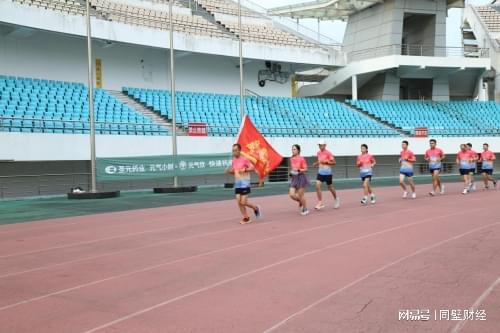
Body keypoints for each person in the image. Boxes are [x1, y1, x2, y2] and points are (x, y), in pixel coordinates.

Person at [225, 143, 261, 224]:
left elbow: (252, 168)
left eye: (235, 150)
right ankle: (246, 217)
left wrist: (245, 170)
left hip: (245, 183)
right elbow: (235, 172)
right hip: (238, 183)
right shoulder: (233, 161)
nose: (234, 152)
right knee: (238, 201)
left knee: (243, 202)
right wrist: (229, 171)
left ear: (239, 151)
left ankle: (255, 208)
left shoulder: (244, 159)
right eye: (233, 151)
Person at [312, 139, 340, 210]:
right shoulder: (318, 153)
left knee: (330, 187)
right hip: (320, 173)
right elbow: (320, 161)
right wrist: (316, 163)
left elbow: (334, 163)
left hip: (328, 173)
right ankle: (320, 202)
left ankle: (336, 199)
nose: (320, 146)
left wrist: (327, 163)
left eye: (321, 145)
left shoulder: (328, 153)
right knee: (317, 185)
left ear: (325, 145)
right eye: (319, 145)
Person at [289, 144, 310, 216]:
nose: (293, 150)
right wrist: (291, 173)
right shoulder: (291, 159)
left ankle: (305, 209)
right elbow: (293, 168)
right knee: (291, 195)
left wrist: (299, 170)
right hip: (294, 178)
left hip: (301, 178)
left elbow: (306, 169)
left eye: (294, 149)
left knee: (301, 195)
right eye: (292, 149)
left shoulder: (302, 158)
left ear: (298, 150)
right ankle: (301, 201)